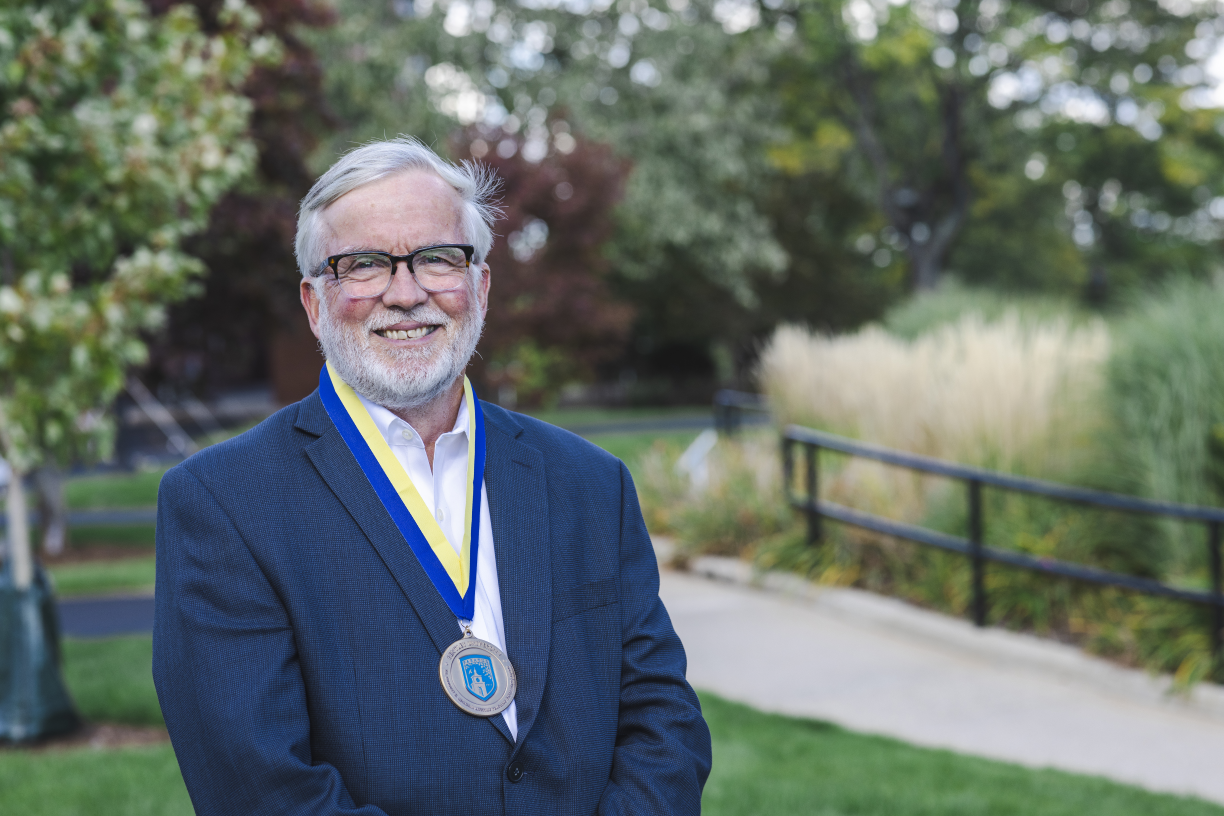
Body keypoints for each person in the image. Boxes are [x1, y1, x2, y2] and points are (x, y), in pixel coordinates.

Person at [152, 137, 712, 815]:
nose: (407, 292)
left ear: (478, 284)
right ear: (313, 302)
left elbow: (665, 724)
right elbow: (260, 787)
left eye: (437, 258)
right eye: (362, 265)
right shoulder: (223, 505)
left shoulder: (590, 485)